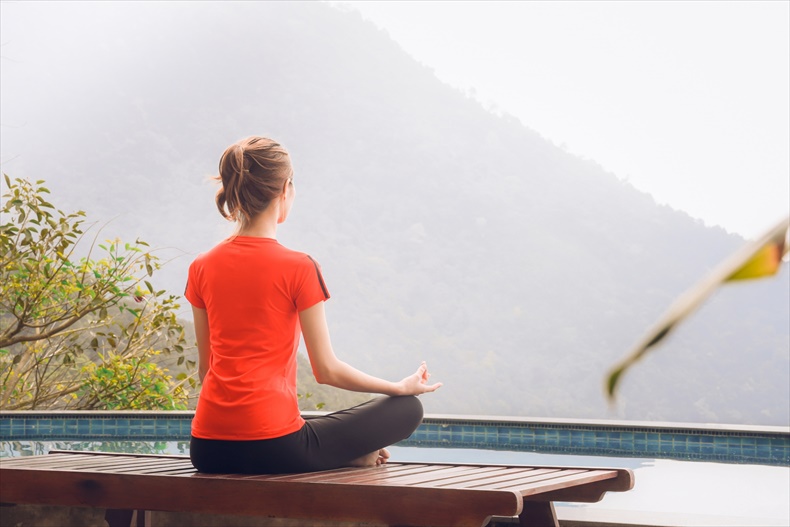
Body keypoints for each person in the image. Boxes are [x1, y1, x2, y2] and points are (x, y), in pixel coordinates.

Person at [185, 136, 441, 474]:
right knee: (408, 410)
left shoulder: (201, 266)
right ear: (285, 189)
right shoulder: (299, 267)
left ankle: (349, 455)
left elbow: (207, 371)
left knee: (309, 429)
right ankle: (353, 456)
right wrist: (399, 387)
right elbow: (326, 370)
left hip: (207, 449)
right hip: (275, 448)